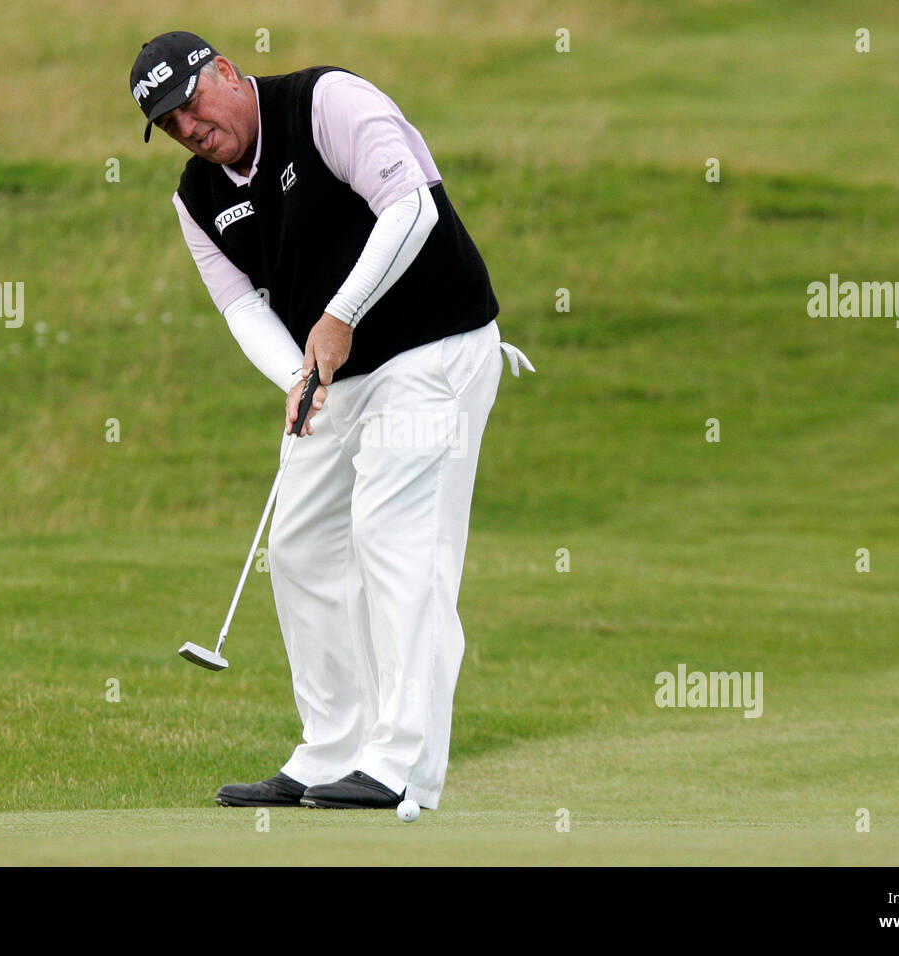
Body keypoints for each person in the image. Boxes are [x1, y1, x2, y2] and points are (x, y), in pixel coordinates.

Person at [129, 31, 533, 810]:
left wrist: (340, 315)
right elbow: (241, 305)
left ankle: (402, 766)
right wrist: (297, 376)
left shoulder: (326, 103)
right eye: (169, 125)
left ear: (224, 72)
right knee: (300, 543)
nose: (188, 129)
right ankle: (331, 750)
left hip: (436, 347)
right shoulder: (197, 198)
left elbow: (410, 208)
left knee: (394, 535)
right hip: (339, 373)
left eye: (190, 106)